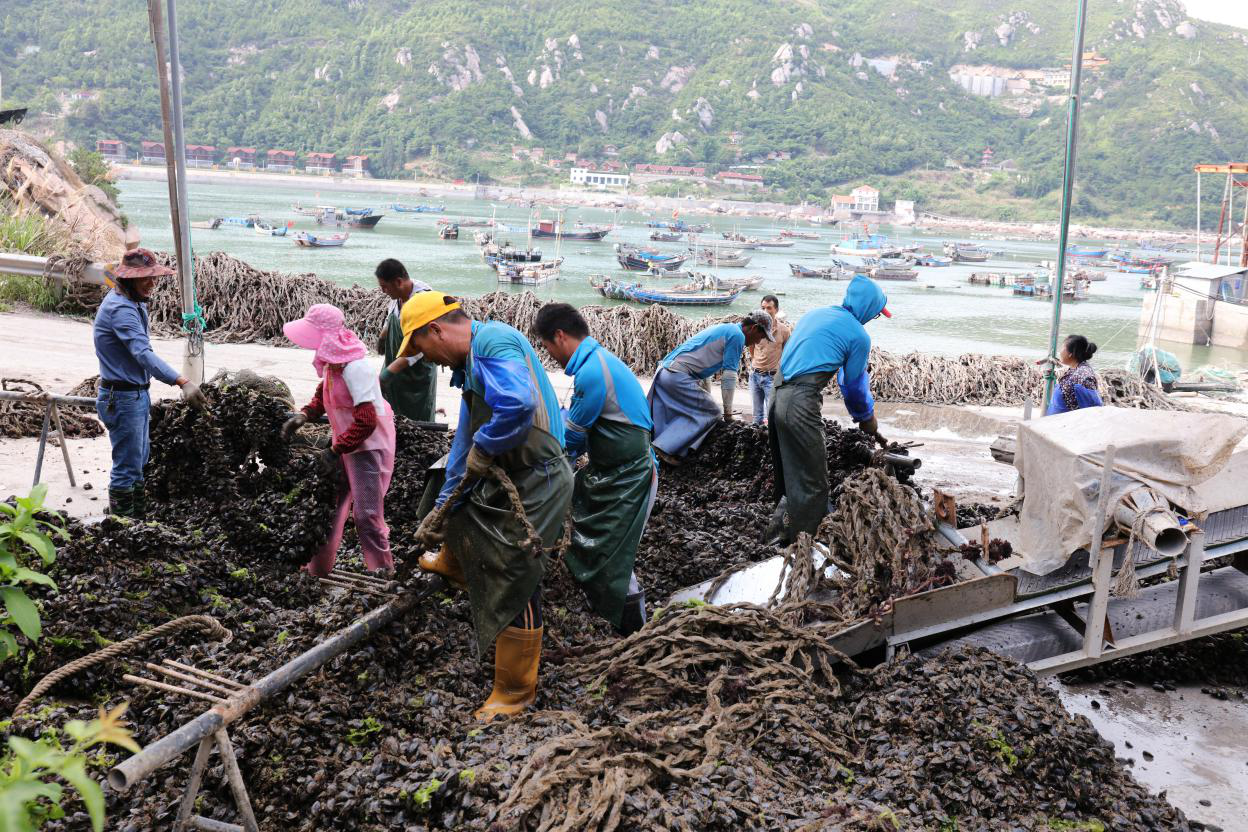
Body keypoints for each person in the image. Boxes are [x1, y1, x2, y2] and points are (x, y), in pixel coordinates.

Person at [400, 293, 573, 721]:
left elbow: (517, 404)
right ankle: (454, 561)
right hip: (513, 469)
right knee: (444, 483)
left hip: (540, 475)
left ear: (436, 329)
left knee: (518, 575)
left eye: (422, 347)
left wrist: (486, 448)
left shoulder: (493, 343)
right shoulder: (468, 367)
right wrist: (442, 507)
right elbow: (463, 445)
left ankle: (515, 694)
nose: (429, 360)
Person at [533, 303, 656, 634]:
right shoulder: (598, 362)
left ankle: (634, 632)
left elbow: (572, 438)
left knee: (617, 557)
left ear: (560, 336)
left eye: (547, 347)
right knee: (596, 549)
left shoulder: (592, 371)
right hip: (609, 475)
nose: (550, 356)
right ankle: (613, 622)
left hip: (631, 479)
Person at [768, 275, 890, 543]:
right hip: (800, 402)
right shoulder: (858, 335)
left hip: (776, 394)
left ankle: (780, 534)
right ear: (868, 308)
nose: (873, 319)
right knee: (813, 480)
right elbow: (854, 387)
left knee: (788, 473)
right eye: (876, 314)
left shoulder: (817, 313)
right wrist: (868, 421)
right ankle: (807, 544)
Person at [280, 304, 397, 577]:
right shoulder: (335, 364)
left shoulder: (356, 367)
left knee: (366, 515)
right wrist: (305, 415)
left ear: (326, 336)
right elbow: (324, 394)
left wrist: (334, 450)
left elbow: (367, 421)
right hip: (346, 443)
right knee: (330, 505)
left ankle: (383, 572)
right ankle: (318, 569)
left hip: (368, 447)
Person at [92, 248, 208, 518]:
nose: (152, 283)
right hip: (121, 398)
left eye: (154, 277)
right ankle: (122, 528)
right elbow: (142, 353)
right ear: (129, 278)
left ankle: (136, 523)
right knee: (128, 467)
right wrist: (182, 381)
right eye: (145, 277)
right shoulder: (120, 308)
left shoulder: (133, 302)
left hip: (134, 395)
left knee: (139, 461)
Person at [648, 311, 775, 464]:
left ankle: (666, 447)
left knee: (689, 410)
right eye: (761, 337)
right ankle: (665, 447)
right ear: (754, 328)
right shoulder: (737, 336)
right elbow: (729, 376)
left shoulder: (726, 329)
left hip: (665, 372)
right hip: (676, 375)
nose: (758, 341)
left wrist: (706, 396)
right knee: (713, 411)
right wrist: (728, 415)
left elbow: (704, 373)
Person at [374, 259, 438, 422]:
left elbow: (420, 347)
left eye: (385, 287)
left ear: (398, 282)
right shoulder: (398, 295)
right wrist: (384, 334)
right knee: (393, 411)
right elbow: (393, 317)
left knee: (417, 415)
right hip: (396, 362)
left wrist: (389, 372)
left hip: (417, 372)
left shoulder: (423, 300)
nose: (383, 291)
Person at [748, 294, 792, 426]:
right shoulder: (755, 328)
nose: (765, 311)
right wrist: (755, 362)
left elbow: (786, 353)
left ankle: (771, 444)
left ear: (776, 310)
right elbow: (751, 347)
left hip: (772, 378)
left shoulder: (784, 331)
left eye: (769, 308)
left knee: (772, 415)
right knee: (756, 416)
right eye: (763, 308)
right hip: (754, 376)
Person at [1045, 334, 1104, 415]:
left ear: (1071, 353)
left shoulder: (1084, 377)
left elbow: (1092, 411)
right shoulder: (1076, 369)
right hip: (1057, 422)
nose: (1060, 351)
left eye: (1063, 348)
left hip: (1067, 425)